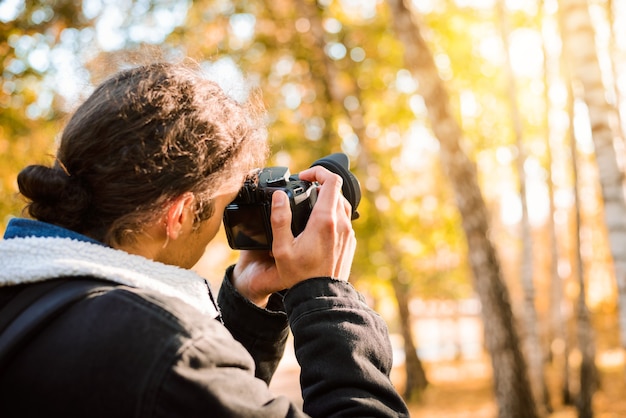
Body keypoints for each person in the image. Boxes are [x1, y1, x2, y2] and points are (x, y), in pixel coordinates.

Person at [0, 61, 409, 417]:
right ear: (177, 214)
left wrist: (246, 305)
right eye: (229, 204)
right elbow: (173, 378)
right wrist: (325, 295)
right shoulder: (168, 353)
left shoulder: (30, 299)